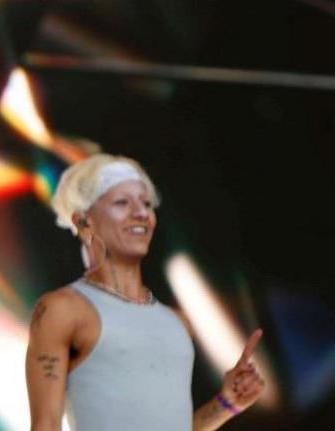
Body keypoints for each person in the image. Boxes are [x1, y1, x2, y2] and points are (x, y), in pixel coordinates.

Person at [25, 154, 266, 431]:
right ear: (84, 223)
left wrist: (226, 404)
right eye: (122, 202)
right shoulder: (62, 310)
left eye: (146, 203)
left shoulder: (177, 322)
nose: (141, 212)